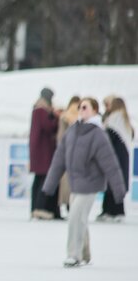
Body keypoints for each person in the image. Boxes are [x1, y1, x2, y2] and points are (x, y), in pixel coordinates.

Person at [42, 97, 126, 267]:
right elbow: (59, 159)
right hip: (76, 184)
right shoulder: (73, 131)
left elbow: (110, 163)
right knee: (79, 218)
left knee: (75, 217)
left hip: (91, 184)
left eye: (85, 107)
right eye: (80, 107)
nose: (81, 110)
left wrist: (118, 189)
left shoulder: (98, 134)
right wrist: (49, 184)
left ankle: (74, 254)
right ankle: (85, 254)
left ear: (95, 110)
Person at [98, 97, 133, 222]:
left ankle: (112, 210)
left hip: (115, 155)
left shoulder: (114, 119)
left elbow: (108, 137)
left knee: (112, 182)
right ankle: (113, 210)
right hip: (121, 154)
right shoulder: (124, 118)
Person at [30, 87, 61, 220]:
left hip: (39, 151)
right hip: (44, 152)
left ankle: (37, 208)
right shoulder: (42, 110)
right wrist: (56, 117)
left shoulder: (37, 109)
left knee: (39, 180)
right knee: (44, 180)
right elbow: (48, 126)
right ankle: (41, 208)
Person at [56, 96, 81, 213]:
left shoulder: (66, 117)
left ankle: (69, 204)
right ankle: (71, 205)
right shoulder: (72, 118)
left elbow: (60, 136)